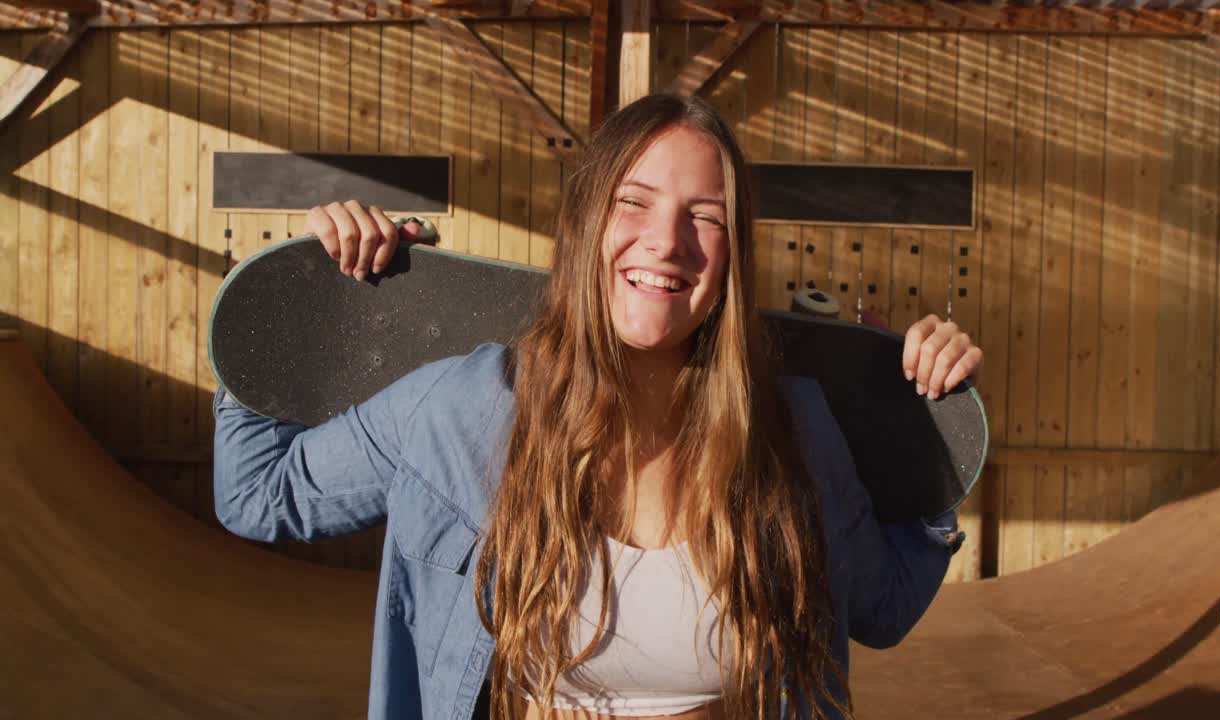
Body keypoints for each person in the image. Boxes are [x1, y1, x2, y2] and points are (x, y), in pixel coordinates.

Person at [213, 94, 983, 720]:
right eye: (634, 203)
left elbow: (882, 610)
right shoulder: (461, 411)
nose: (667, 241)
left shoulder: (794, 430)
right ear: (583, 225)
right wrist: (295, 326)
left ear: (732, 255)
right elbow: (258, 497)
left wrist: (924, 422)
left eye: (705, 217)